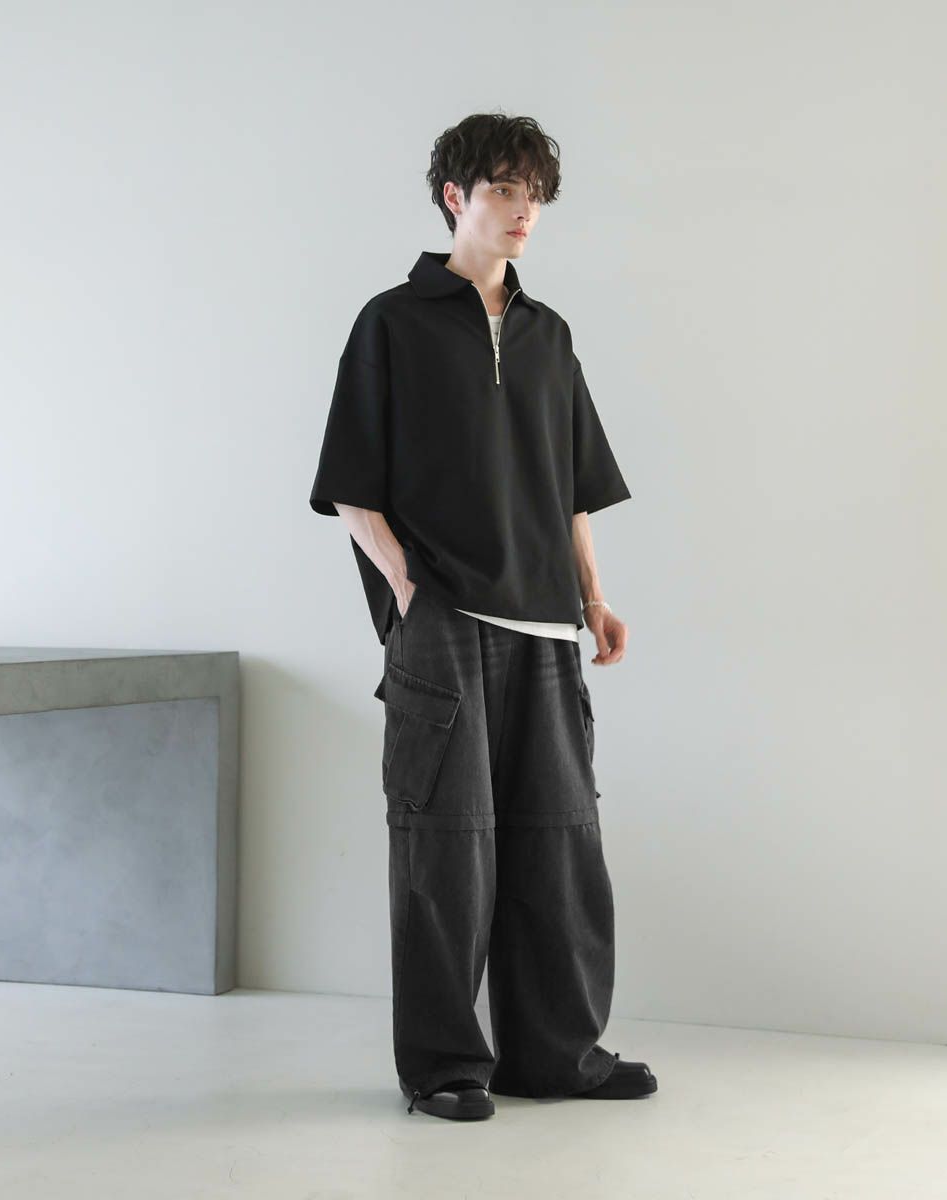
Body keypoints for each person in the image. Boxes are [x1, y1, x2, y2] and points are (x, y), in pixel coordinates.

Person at [308, 112, 658, 1121]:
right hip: (445, 622)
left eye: (533, 194)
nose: (522, 211)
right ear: (455, 196)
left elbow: (570, 488)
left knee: (560, 849)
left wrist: (594, 598)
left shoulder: (549, 335)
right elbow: (349, 485)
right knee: (445, 852)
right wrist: (409, 590)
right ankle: (445, 1067)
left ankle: (556, 1057)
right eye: (504, 189)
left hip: (546, 627)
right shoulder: (392, 323)